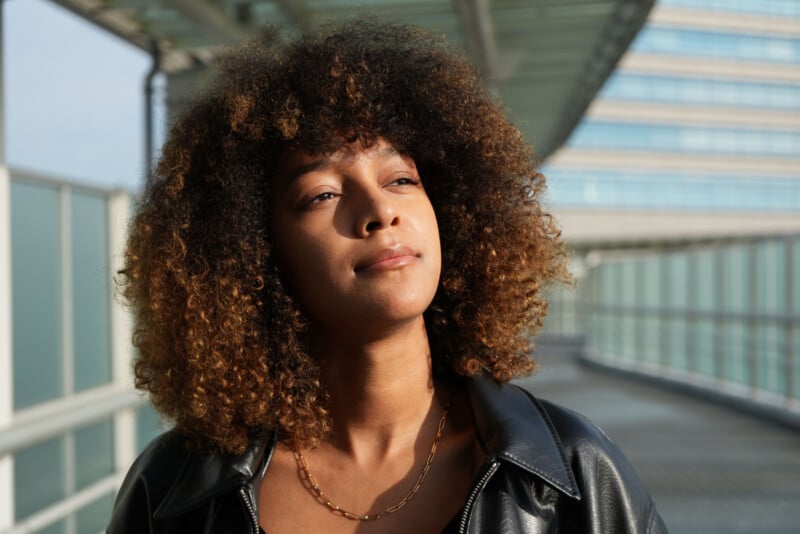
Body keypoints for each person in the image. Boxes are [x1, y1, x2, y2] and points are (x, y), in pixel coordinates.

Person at [108, 20, 667, 534]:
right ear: (251, 251)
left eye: (401, 178)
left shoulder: (575, 474)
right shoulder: (175, 491)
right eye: (322, 193)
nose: (380, 210)